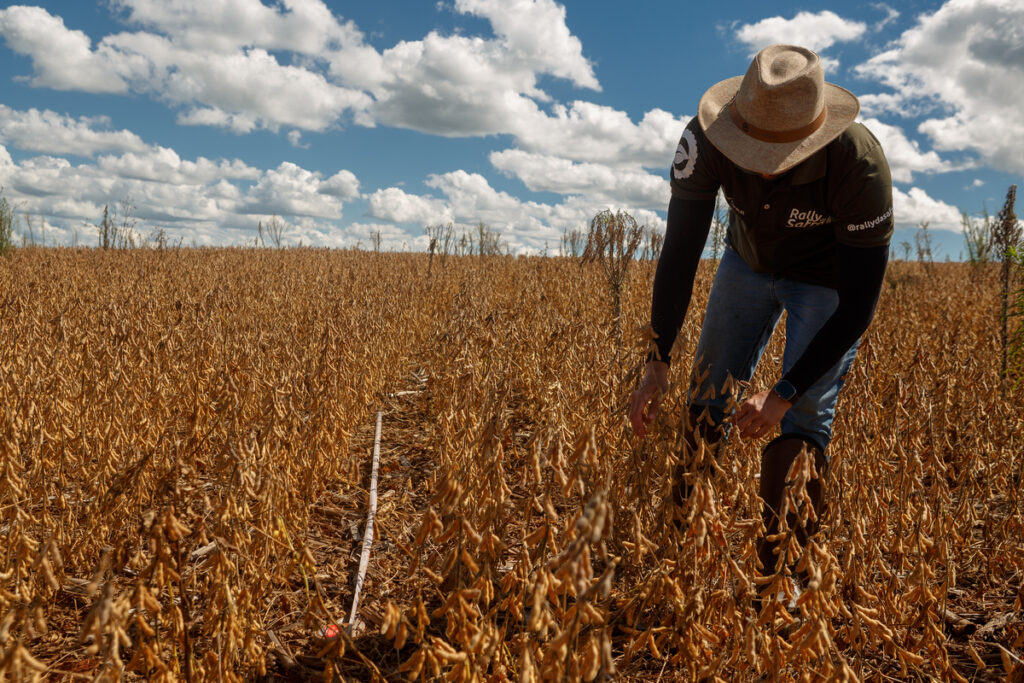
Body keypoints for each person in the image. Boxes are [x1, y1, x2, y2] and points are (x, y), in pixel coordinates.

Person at [628, 45, 893, 591]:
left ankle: (781, 578)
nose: (761, 168)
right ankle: (683, 540)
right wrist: (656, 356)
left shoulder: (859, 165)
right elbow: (680, 250)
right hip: (746, 263)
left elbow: (858, 305)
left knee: (805, 416)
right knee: (708, 385)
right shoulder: (701, 141)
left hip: (828, 284)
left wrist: (784, 391)